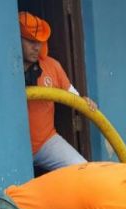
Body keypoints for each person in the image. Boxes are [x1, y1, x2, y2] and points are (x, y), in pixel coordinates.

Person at [19, 12, 96, 174]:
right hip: (13, 149)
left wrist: (85, 102)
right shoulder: (8, 70)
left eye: (39, 42)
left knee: (84, 170)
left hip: (45, 143)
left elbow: (73, 96)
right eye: (31, 41)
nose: (36, 47)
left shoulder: (52, 66)